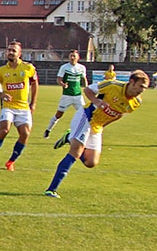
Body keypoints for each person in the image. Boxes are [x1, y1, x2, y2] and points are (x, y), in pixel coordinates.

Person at [44, 70, 149, 198]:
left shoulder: (136, 103)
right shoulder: (112, 85)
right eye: (141, 87)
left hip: (97, 126)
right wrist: (97, 101)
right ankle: (51, 190)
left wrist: (104, 125)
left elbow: (119, 114)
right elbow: (88, 90)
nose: (142, 90)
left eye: (145, 88)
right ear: (132, 82)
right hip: (87, 116)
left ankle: (69, 138)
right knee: (76, 151)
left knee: (91, 162)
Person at [0, 40, 38, 171]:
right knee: (4, 129)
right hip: (8, 107)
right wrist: (2, 95)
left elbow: (34, 84)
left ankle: (11, 161)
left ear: (19, 54)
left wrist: (33, 103)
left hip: (23, 108)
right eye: (9, 50)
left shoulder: (28, 68)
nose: (10, 52)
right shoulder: (2, 70)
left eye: (13, 50)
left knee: (25, 133)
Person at [43, 50, 88, 138]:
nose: (72, 58)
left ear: (78, 57)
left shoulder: (82, 68)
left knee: (85, 115)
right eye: (71, 56)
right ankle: (48, 130)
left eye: (74, 56)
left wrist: (86, 88)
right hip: (67, 96)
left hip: (78, 96)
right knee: (59, 114)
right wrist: (63, 84)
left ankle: (82, 134)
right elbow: (59, 79)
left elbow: (84, 79)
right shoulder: (64, 67)